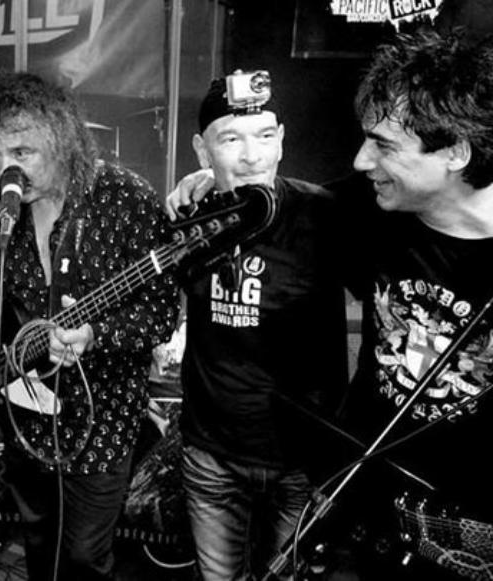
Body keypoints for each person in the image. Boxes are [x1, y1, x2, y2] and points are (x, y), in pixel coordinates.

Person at [0, 72, 179, 581]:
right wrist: (1, 346)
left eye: (21, 151)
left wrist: (95, 336)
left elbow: (161, 312)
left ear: (62, 140)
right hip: (26, 411)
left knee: (83, 558)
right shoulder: (1, 203)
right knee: (39, 545)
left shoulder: (125, 198)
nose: (5, 168)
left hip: (101, 418)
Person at [164, 73, 348, 580]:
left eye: (265, 136)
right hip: (212, 455)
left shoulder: (324, 214)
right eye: (231, 140)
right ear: (202, 150)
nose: (252, 157)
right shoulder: (189, 217)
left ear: (282, 140)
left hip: (302, 459)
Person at [331, 30, 493, 579]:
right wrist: (221, 184)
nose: (361, 160)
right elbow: (284, 201)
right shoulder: (367, 210)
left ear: (455, 152)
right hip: (374, 530)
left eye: (384, 145)